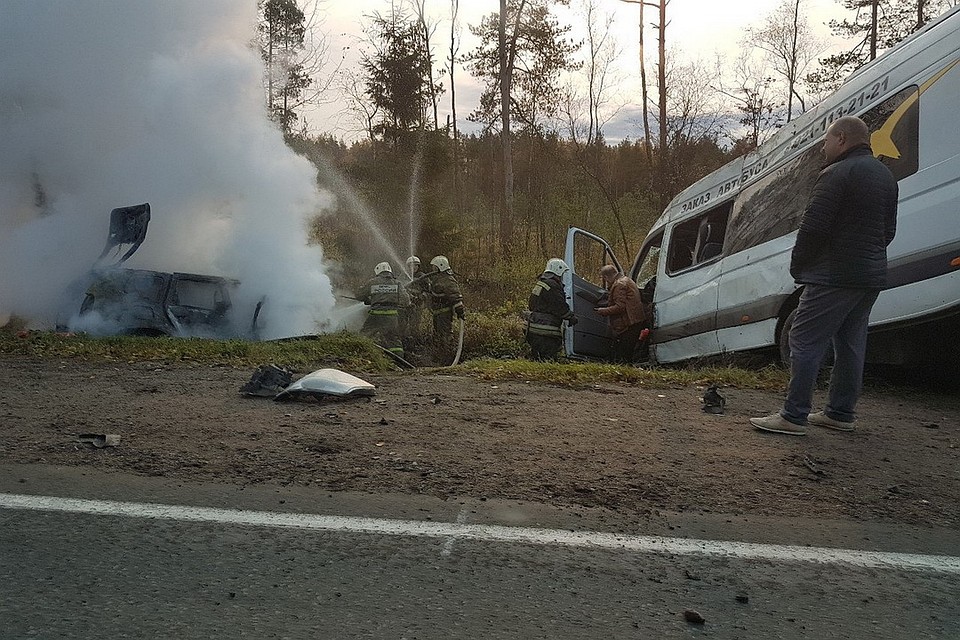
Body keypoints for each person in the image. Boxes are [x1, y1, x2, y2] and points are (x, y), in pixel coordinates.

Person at [750, 115, 898, 436]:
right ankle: (840, 413)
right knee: (850, 344)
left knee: (802, 338)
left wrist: (799, 266)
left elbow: (813, 228)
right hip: (870, 276)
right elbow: (888, 231)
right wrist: (866, 257)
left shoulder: (835, 174)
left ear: (842, 139)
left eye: (827, 141)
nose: (823, 148)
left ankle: (793, 415)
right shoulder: (886, 176)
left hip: (833, 275)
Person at [526, 258, 578, 360]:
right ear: (558, 271)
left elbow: (532, 304)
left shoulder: (541, 283)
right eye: (562, 274)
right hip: (545, 330)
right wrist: (571, 316)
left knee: (537, 357)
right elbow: (559, 306)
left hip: (533, 325)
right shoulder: (553, 286)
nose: (562, 277)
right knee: (548, 358)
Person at [595, 264, 646, 363]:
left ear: (606, 277)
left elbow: (620, 307)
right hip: (635, 321)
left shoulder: (619, 285)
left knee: (625, 355)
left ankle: (627, 374)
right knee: (629, 353)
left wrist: (603, 311)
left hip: (628, 324)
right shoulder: (627, 280)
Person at [359, 261, 411, 359]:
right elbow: (406, 301)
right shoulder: (397, 283)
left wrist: (369, 300)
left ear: (378, 271)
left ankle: (360, 357)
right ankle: (400, 362)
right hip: (391, 317)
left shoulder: (373, 282)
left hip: (375, 316)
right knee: (394, 341)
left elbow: (359, 295)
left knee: (364, 336)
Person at [426, 255, 464, 354]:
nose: (433, 269)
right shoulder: (438, 279)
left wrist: (459, 310)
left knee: (445, 335)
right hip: (437, 313)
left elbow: (455, 295)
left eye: (434, 267)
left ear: (440, 266)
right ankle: (439, 354)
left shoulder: (448, 280)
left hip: (444, 313)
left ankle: (448, 354)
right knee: (438, 335)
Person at [400, 255, 427, 351]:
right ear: (407, 266)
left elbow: (427, 290)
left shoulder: (422, 277)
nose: (414, 267)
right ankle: (403, 343)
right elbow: (401, 289)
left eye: (416, 265)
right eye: (411, 265)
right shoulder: (403, 276)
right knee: (402, 324)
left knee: (415, 324)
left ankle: (415, 344)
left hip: (418, 305)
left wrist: (421, 297)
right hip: (406, 305)